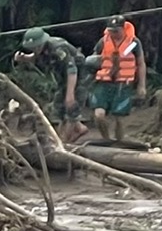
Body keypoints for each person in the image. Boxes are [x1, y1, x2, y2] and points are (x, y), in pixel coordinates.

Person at [13, 27, 88, 143]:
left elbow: (72, 70)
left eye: (36, 47)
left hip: (78, 76)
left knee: (71, 108)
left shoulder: (58, 48)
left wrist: (70, 94)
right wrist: (24, 58)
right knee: (59, 108)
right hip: (62, 78)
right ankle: (78, 129)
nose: (35, 49)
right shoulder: (41, 49)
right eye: (32, 48)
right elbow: (36, 57)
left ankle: (63, 142)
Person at [92, 13, 146, 143]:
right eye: (111, 31)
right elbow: (94, 57)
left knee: (119, 118)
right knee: (99, 115)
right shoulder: (103, 41)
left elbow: (141, 63)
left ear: (123, 28)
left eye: (116, 31)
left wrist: (141, 85)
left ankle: (119, 141)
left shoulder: (133, 42)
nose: (113, 34)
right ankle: (106, 139)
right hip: (104, 82)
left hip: (123, 83)